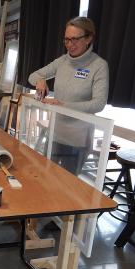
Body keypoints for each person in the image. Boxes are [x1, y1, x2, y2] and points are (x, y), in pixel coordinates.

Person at [28, 16, 109, 175]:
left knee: (66, 186)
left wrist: (63, 106)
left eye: (75, 39)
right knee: (45, 177)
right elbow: (33, 76)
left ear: (89, 38)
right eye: (66, 40)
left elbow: (98, 104)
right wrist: (40, 80)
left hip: (77, 140)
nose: (70, 45)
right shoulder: (62, 61)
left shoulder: (99, 66)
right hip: (55, 134)